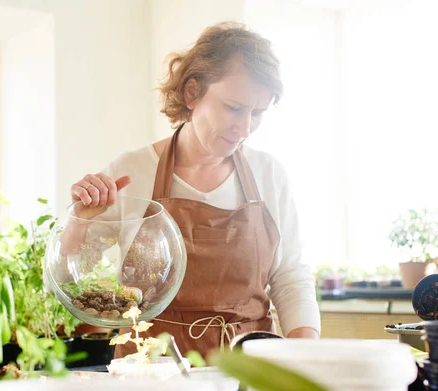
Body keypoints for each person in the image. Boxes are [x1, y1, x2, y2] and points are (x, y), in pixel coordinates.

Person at [68, 22, 320, 358]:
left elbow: (290, 278)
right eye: (233, 108)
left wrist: (307, 359)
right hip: (148, 366)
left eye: (257, 113)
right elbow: (74, 273)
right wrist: (79, 220)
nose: (245, 128)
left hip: (249, 366)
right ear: (192, 93)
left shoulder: (268, 174)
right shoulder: (131, 171)